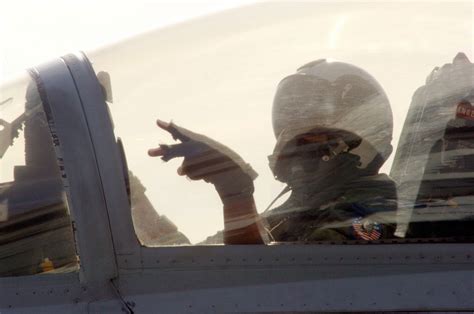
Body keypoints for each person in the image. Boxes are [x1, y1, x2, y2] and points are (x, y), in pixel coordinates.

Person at [148, 59, 397, 244]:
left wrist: (236, 194)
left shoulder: (370, 214)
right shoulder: (295, 211)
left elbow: (269, 282)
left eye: (312, 135)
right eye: (291, 132)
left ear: (357, 140)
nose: (295, 147)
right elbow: (192, 262)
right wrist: (131, 197)